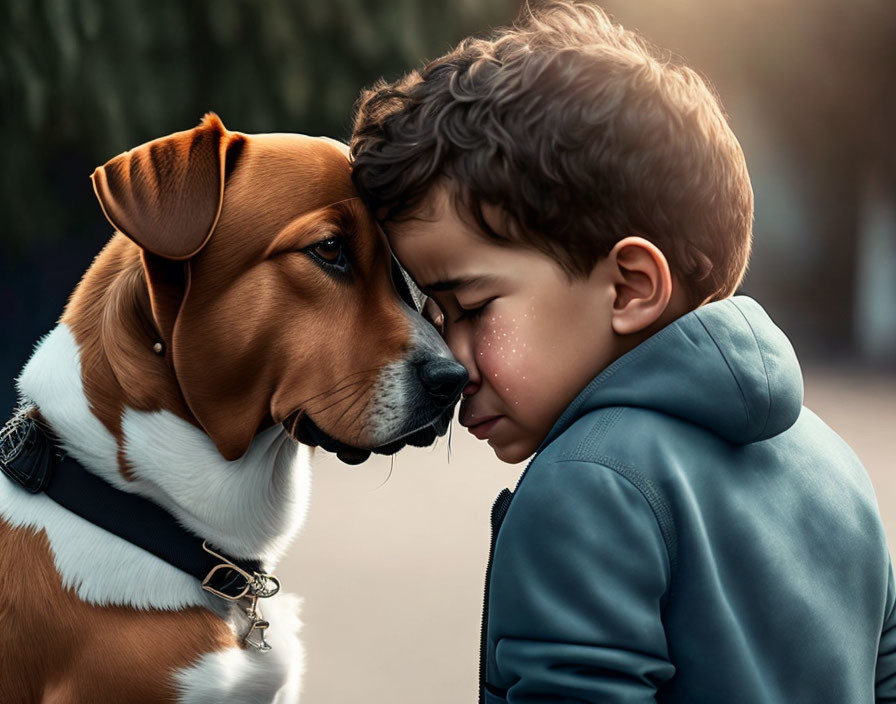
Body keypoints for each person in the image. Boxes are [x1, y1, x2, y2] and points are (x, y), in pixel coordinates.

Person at [349, 2, 896, 701]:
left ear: (631, 287)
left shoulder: (587, 484)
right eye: (434, 313)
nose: (450, 360)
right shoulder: (833, 462)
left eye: (472, 307)